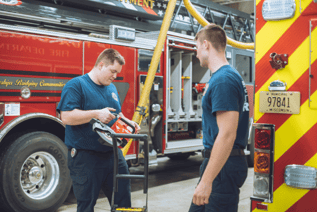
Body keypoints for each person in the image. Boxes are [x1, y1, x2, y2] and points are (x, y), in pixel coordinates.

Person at [57, 48, 140, 212]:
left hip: (113, 155)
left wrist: (128, 122)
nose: (115, 76)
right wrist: (96, 114)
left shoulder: (111, 88)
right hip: (86, 156)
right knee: (86, 205)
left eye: (117, 73)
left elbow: (117, 114)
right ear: (101, 65)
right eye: (113, 71)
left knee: (123, 201)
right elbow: (65, 117)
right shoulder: (76, 85)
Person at [189, 24, 249, 212]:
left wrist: (207, 181)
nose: (196, 53)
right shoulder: (226, 77)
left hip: (223, 166)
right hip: (219, 164)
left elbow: (227, 134)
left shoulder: (224, 80)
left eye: (197, 47)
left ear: (206, 45)